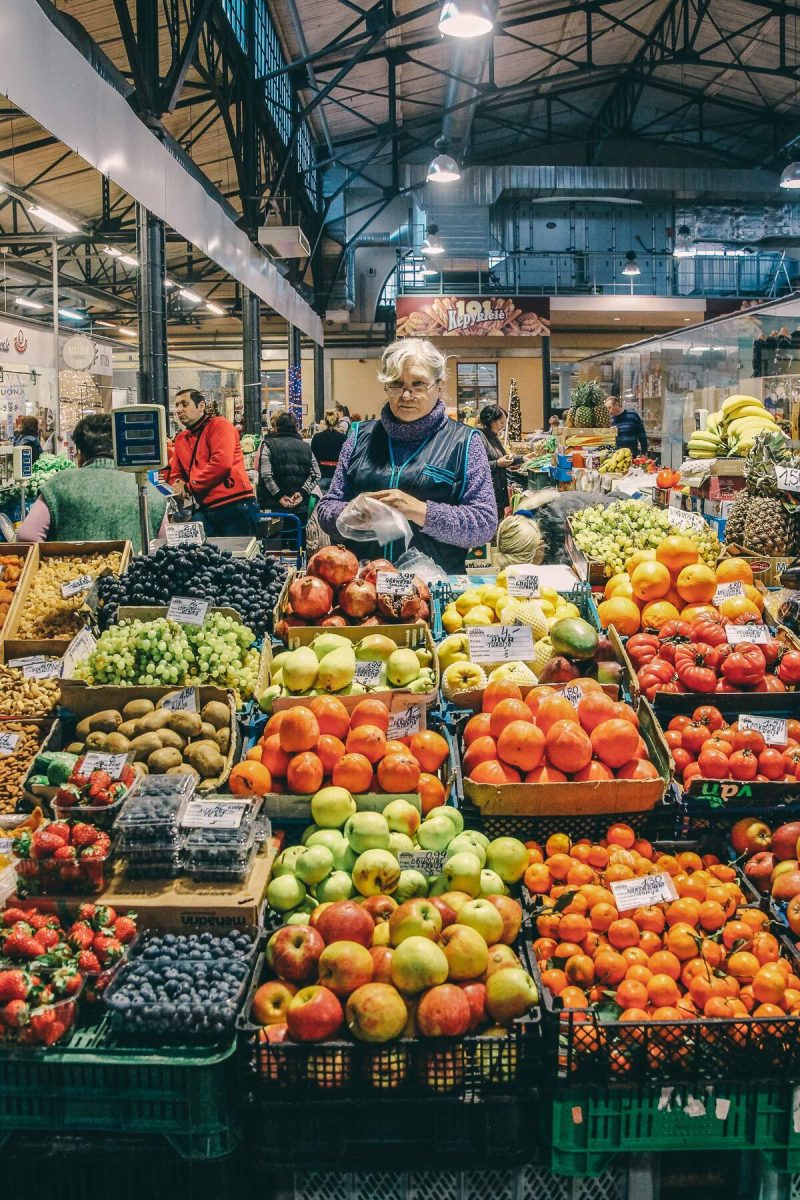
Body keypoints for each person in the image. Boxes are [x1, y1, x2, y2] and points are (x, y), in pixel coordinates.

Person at [317, 338, 497, 573]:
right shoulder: (359, 435)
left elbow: (483, 523)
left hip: (432, 592)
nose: (406, 395)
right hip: (362, 591)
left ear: (439, 386)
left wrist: (420, 511)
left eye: (418, 384)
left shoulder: (465, 442)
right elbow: (326, 508)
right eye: (396, 384)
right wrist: (348, 514)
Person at [16, 413, 167, 551]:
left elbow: (26, 536)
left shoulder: (59, 484)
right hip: (134, 579)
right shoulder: (148, 491)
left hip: (72, 578)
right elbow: (166, 543)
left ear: (80, 453)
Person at [165, 388, 260, 537]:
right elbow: (176, 473)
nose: (179, 410)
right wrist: (178, 483)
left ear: (201, 406)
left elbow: (221, 464)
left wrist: (190, 487)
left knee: (238, 557)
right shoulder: (181, 439)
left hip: (235, 506)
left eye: (184, 404)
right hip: (205, 510)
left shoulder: (220, 426)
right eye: (177, 405)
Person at [257, 411, 320, 535]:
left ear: (277, 427)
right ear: (296, 427)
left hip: (273, 507)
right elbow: (316, 474)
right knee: (297, 544)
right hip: (299, 507)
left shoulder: (268, 445)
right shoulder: (306, 447)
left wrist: (279, 496)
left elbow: (266, 475)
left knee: (274, 545)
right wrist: (301, 494)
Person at [478, 405, 515, 521]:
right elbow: (475, 467)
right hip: (487, 497)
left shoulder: (493, 437)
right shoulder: (478, 436)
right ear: (491, 420)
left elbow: (504, 458)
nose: (503, 427)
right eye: (501, 423)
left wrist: (523, 459)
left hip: (498, 495)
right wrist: (497, 463)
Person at [310, 410, 347, 494]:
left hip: (321, 476)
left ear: (325, 422)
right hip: (338, 478)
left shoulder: (317, 437)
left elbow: (313, 458)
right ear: (338, 422)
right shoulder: (344, 438)